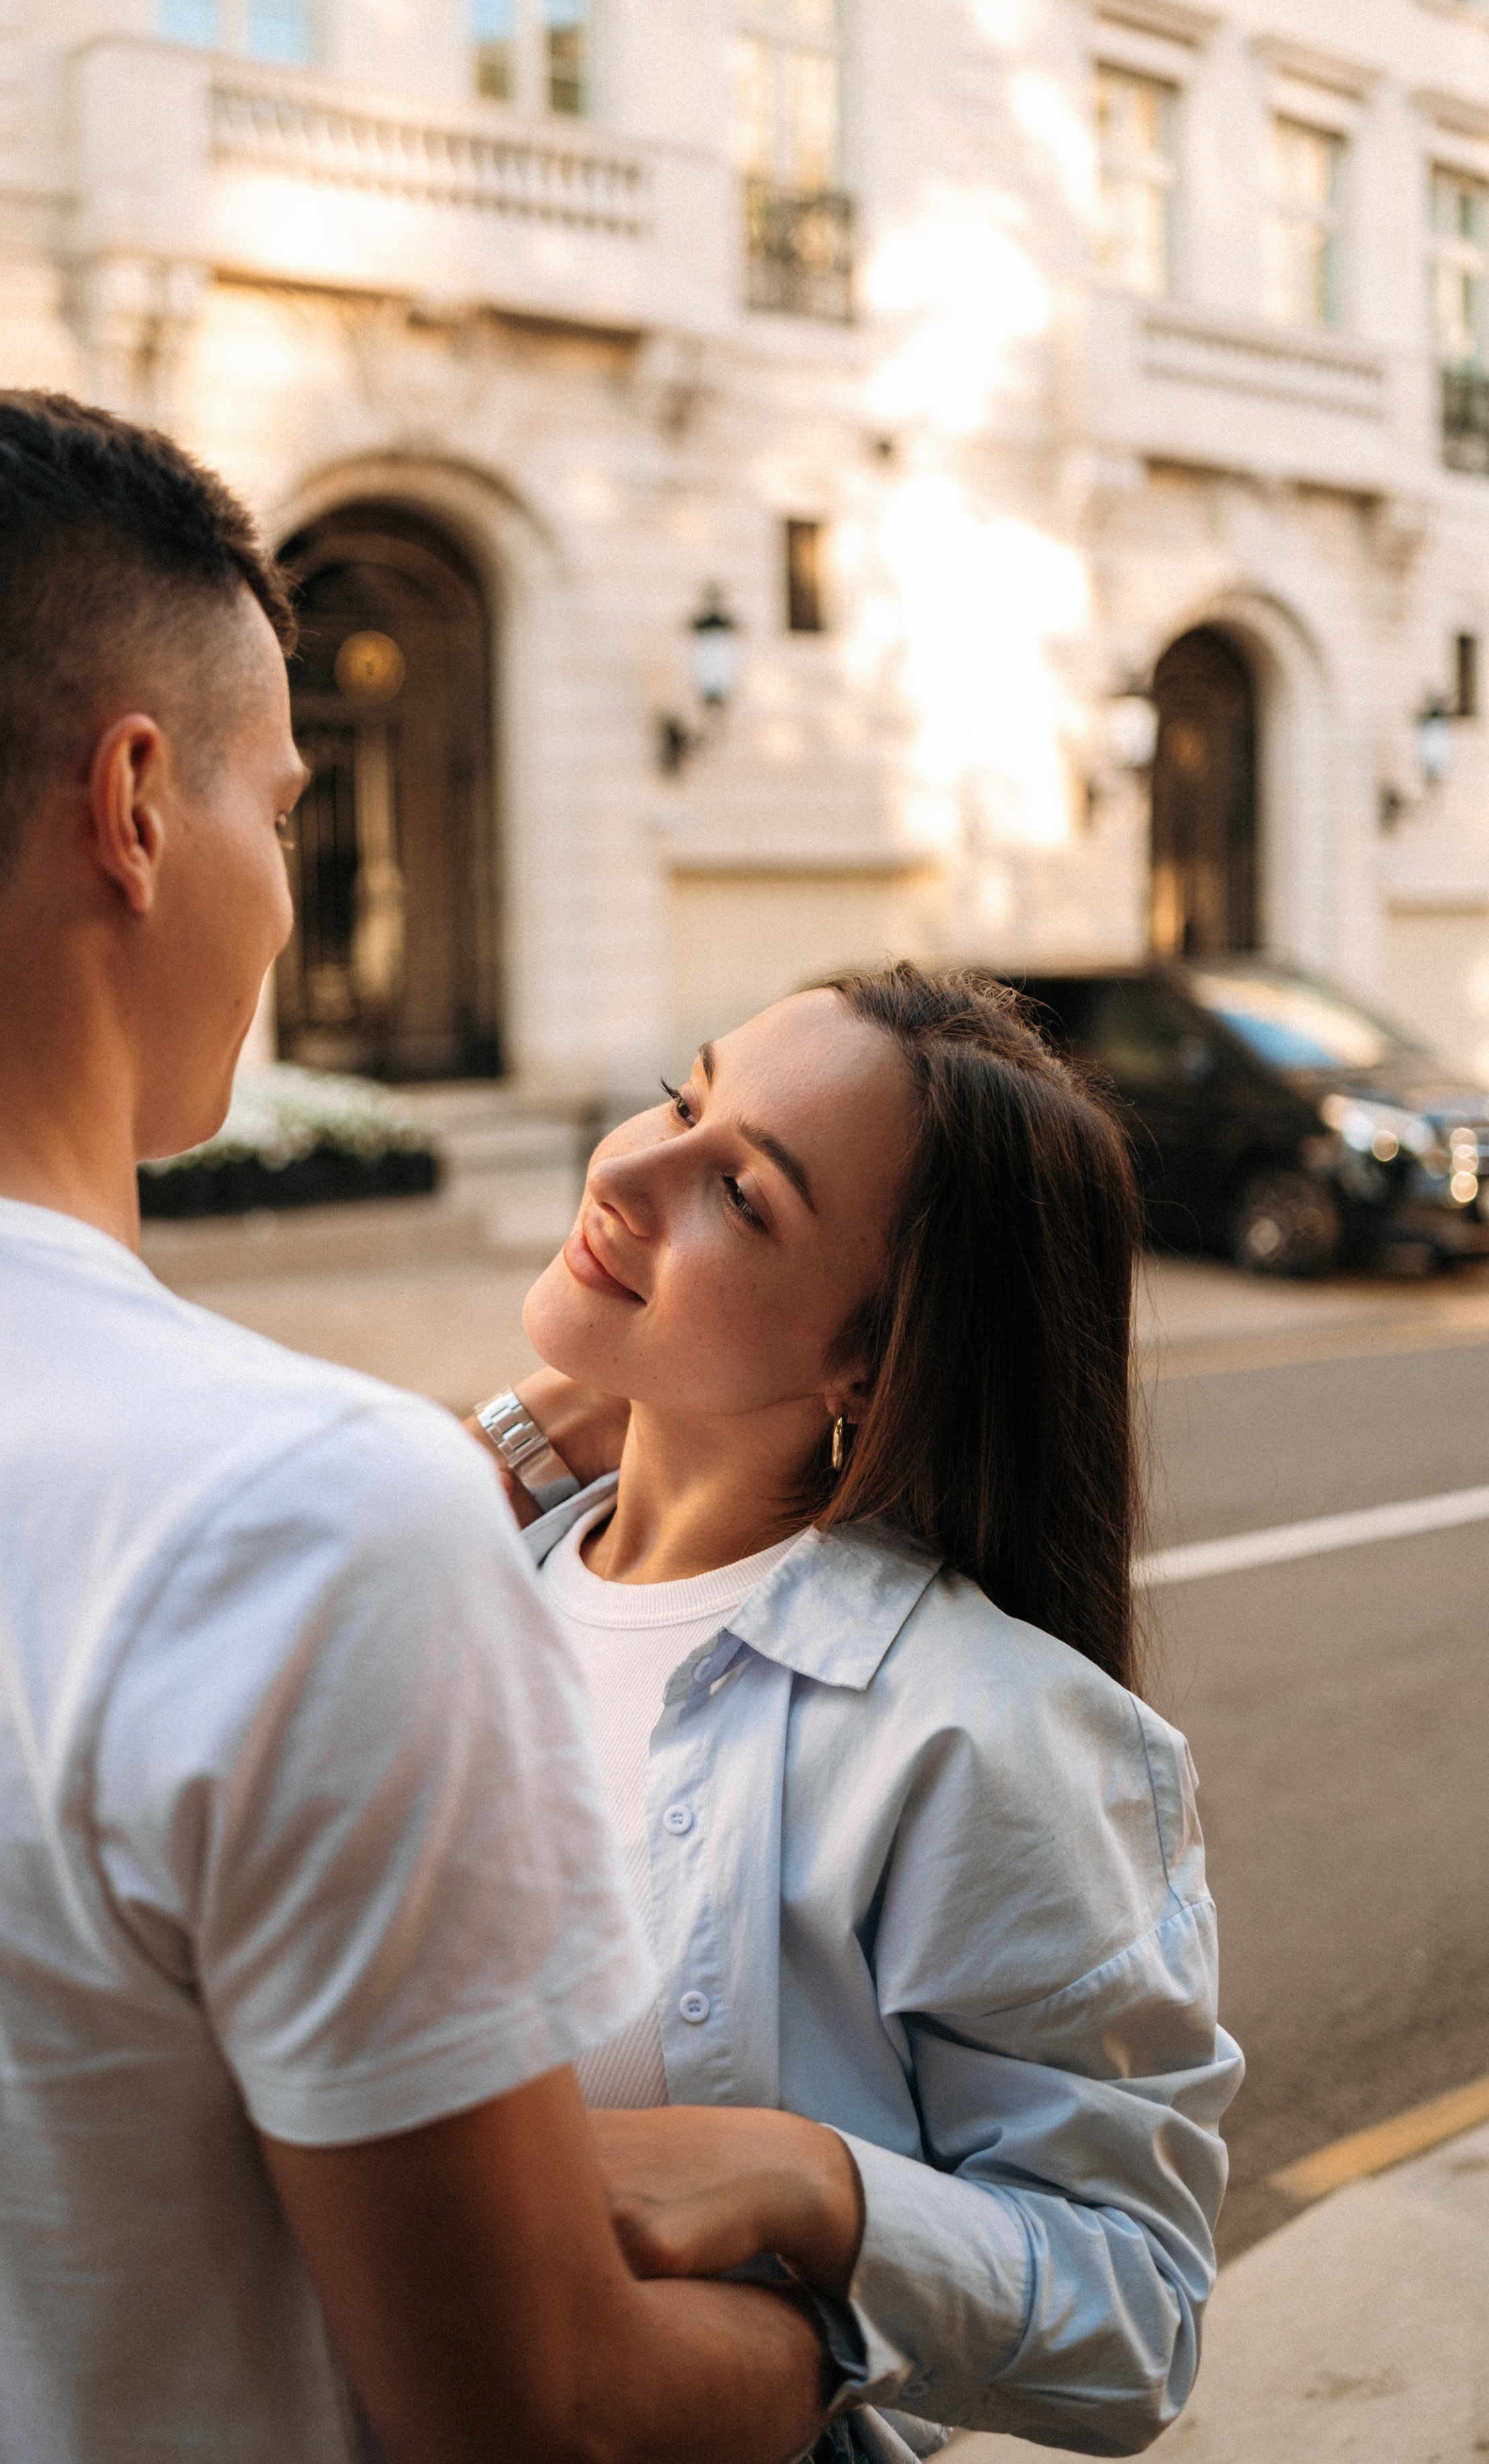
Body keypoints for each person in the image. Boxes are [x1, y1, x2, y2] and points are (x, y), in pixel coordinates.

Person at [0, 389, 844, 2463]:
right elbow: (544, 2412)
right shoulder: (302, 1521)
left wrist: (515, 1450)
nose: (285, 886)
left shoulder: (287, 1510)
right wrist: (850, 2311)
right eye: (283, 805)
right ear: (138, 806)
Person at [470, 969, 1246, 2461]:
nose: (627, 1171)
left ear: (868, 1358)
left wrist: (806, 2182)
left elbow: (1135, 2316)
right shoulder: (457, 1577)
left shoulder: (971, 1730)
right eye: (679, 1102)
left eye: (741, 1195)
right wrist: (505, 1447)